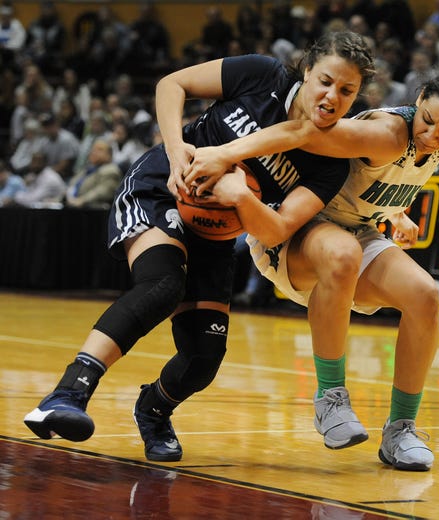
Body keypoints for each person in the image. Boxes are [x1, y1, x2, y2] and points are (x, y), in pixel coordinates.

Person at [23, 31, 375, 462]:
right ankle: (67, 395)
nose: (332, 97)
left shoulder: (333, 160)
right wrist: (176, 153)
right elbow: (172, 84)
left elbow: (277, 230)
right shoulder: (263, 75)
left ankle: (153, 410)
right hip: (161, 191)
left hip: (218, 231)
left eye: (346, 91)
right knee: (163, 284)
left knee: (204, 357)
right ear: (306, 70)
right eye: (325, 81)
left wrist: (241, 196)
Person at [183, 68, 439, 471]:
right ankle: (330, 399)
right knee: (343, 253)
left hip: (356, 230)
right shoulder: (385, 134)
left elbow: (380, 181)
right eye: (427, 121)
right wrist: (226, 153)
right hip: (296, 224)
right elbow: (300, 132)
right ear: (419, 98)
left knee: (424, 295)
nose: (431, 137)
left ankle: (400, 429)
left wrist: (396, 212)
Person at [64, 138, 122, 209]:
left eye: (99, 150)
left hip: (94, 211)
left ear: (109, 155)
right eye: (93, 149)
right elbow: (71, 185)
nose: (94, 152)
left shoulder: (111, 170)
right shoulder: (88, 168)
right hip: (72, 205)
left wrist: (82, 200)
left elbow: (102, 191)